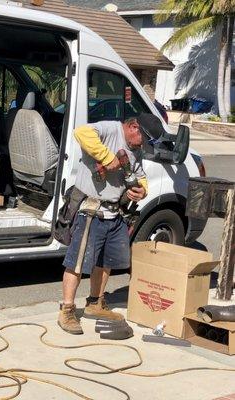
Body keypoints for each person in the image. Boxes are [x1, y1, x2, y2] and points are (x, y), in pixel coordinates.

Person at [58, 113, 162, 335]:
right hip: (91, 209)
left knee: (106, 262)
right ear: (134, 127)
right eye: (142, 139)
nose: (142, 145)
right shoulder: (110, 129)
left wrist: (142, 189)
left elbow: (139, 173)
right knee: (77, 263)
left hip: (115, 213)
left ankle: (95, 303)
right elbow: (81, 132)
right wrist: (106, 156)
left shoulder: (135, 150)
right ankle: (66, 309)